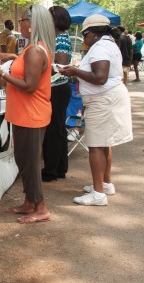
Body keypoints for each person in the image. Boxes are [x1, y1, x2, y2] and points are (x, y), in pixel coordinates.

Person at [0, 4, 53, 223]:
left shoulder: (35, 50)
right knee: (23, 160)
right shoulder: (30, 48)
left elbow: (29, 85)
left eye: (22, 20)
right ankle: (29, 201)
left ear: (31, 24)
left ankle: (41, 208)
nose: (19, 24)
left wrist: (0, 72)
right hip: (23, 114)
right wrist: (9, 61)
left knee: (30, 163)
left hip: (32, 115)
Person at [57, 15, 133, 206]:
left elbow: (100, 77)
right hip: (107, 98)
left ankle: (98, 194)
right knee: (104, 143)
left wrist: (74, 71)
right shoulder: (109, 44)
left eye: (85, 36)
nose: (84, 40)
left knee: (96, 145)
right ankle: (105, 184)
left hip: (103, 101)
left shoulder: (100, 47)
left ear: (92, 33)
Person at [41, 6, 72, 182]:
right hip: (58, 88)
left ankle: (51, 169)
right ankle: (60, 166)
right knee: (58, 129)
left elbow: (60, 66)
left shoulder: (60, 39)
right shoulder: (58, 38)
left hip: (57, 88)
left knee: (53, 130)